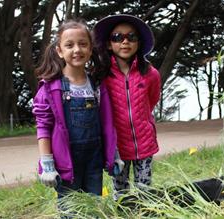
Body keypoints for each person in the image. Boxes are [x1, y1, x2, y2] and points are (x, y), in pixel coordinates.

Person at [32, 19, 119, 204]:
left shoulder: (97, 85)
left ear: (90, 49)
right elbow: (43, 127)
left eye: (83, 44)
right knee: (71, 211)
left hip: (94, 160)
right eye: (69, 45)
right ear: (60, 51)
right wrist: (47, 164)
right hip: (66, 164)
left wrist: (114, 154)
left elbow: (107, 123)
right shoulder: (50, 88)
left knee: (93, 208)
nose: (77, 50)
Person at [93, 14, 161, 199]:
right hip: (117, 147)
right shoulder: (102, 75)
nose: (125, 42)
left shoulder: (150, 73)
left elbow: (152, 100)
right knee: (121, 193)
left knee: (144, 193)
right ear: (108, 44)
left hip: (144, 143)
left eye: (131, 37)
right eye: (117, 37)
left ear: (138, 43)